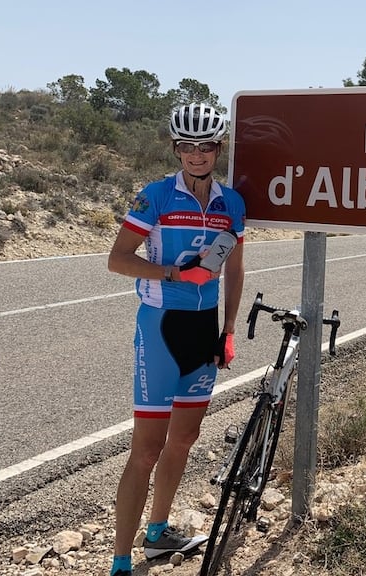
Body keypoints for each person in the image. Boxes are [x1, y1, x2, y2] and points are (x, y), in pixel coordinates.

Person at [106, 102, 246, 576]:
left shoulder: (232, 204)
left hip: (204, 330)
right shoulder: (156, 196)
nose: (196, 155)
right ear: (175, 148)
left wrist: (228, 330)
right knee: (146, 449)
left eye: (205, 146)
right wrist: (174, 273)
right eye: (186, 146)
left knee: (184, 439)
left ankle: (158, 534)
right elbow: (118, 259)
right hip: (160, 326)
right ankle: (121, 562)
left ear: (218, 148)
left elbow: (236, 269)